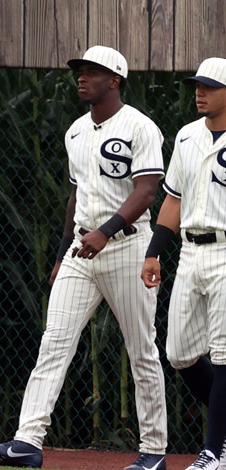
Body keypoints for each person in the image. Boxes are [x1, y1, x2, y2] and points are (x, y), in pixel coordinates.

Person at [0, 46, 168, 470]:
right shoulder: (76, 131)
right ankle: (28, 442)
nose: (82, 77)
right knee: (55, 342)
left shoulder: (140, 127)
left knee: (141, 350)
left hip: (127, 247)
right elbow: (76, 194)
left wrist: (106, 231)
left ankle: (154, 452)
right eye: (79, 71)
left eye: (92, 72)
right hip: (83, 250)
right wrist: (63, 252)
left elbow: (146, 191)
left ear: (115, 80)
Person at [141, 57, 226, 470]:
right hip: (191, 252)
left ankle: (215, 451)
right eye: (197, 85)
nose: (199, 92)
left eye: (209, 86)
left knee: (224, 354)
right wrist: (154, 251)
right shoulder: (187, 136)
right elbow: (173, 199)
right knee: (179, 352)